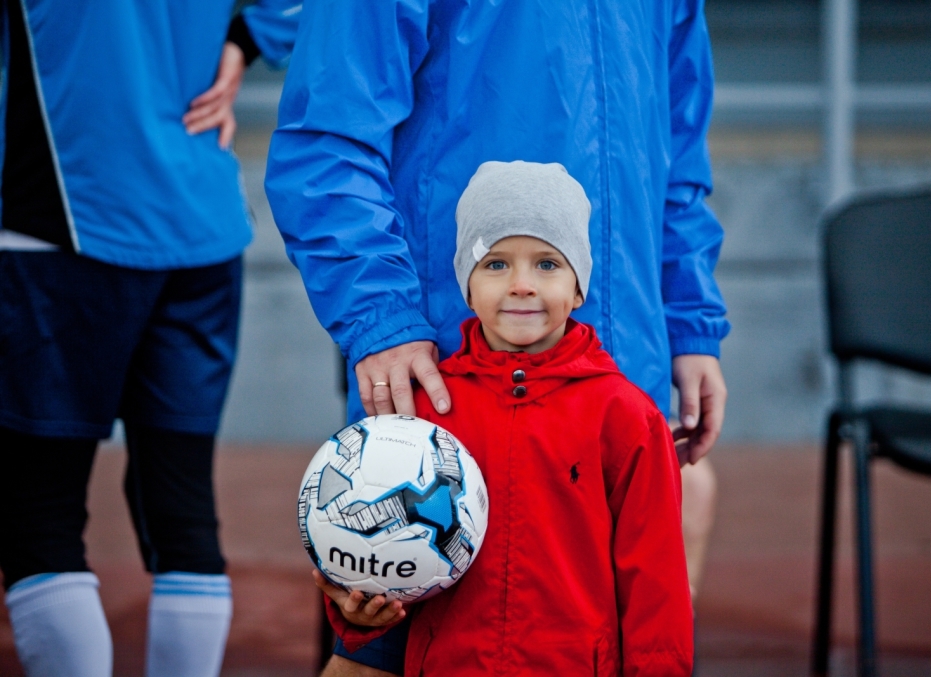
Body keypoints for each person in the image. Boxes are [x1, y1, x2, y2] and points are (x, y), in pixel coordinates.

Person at [264, 0, 729, 673]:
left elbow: (675, 153)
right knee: (379, 650)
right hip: (449, 388)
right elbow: (329, 133)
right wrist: (382, 314)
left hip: (617, 374)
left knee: (625, 636)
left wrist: (689, 322)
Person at [0, 3, 297, 676]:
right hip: (199, 214)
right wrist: (246, 40)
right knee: (182, 509)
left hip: (63, 217)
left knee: (38, 516)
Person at [321, 161, 694, 676]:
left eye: (547, 264)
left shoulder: (625, 416)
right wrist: (359, 614)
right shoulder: (424, 416)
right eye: (496, 264)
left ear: (579, 288)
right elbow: (384, 560)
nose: (521, 284)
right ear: (467, 286)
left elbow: (656, 578)